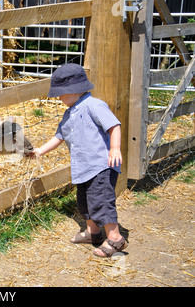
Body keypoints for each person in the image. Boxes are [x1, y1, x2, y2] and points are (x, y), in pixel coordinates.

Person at [32, 63, 127, 257]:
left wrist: (115, 148)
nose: (59, 98)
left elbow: (114, 125)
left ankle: (116, 239)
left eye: (60, 93)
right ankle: (93, 233)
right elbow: (58, 137)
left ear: (74, 89)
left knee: (101, 201)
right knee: (85, 202)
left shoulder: (94, 105)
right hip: (83, 169)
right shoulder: (69, 114)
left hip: (101, 165)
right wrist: (40, 151)